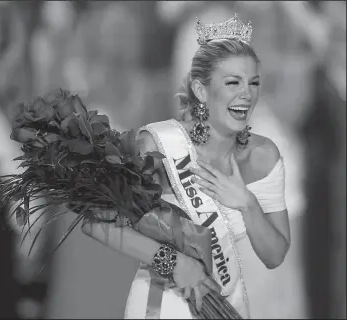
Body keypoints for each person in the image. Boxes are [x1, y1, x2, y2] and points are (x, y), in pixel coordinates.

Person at [82, 14, 290, 319]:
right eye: (233, 82)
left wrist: (248, 204)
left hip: (229, 306)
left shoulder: (264, 155)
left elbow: (275, 255)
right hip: (161, 305)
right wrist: (173, 262)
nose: (246, 93)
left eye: (253, 82)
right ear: (201, 90)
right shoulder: (161, 145)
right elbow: (96, 220)